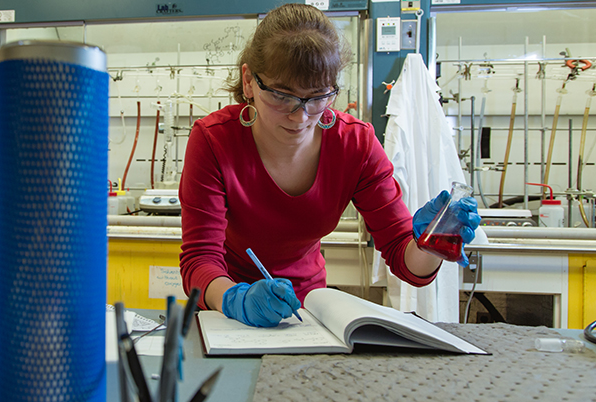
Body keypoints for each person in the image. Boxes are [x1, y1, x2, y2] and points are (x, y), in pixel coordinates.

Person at [178, 3, 480, 328]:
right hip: (226, 311)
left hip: (308, 311)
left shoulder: (355, 145)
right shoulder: (213, 140)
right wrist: (235, 299)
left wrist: (432, 243)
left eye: (318, 96)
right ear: (249, 81)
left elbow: (404, 260)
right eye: (282, 96)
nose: (300, 116)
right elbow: (200, 259)